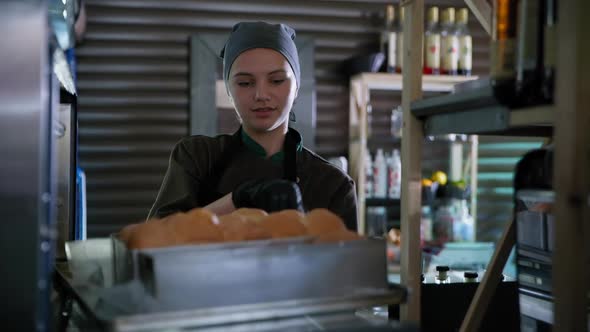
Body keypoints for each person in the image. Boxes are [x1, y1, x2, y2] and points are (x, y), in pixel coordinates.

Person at [147, 21, 358, 231]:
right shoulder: (197, 157)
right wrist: (237, 199)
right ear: (229, 90)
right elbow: (156, 238)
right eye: (245, 83)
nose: (261, 95)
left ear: (296, 87)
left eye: (276, 80)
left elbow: (346, 262)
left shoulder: (333, 185)